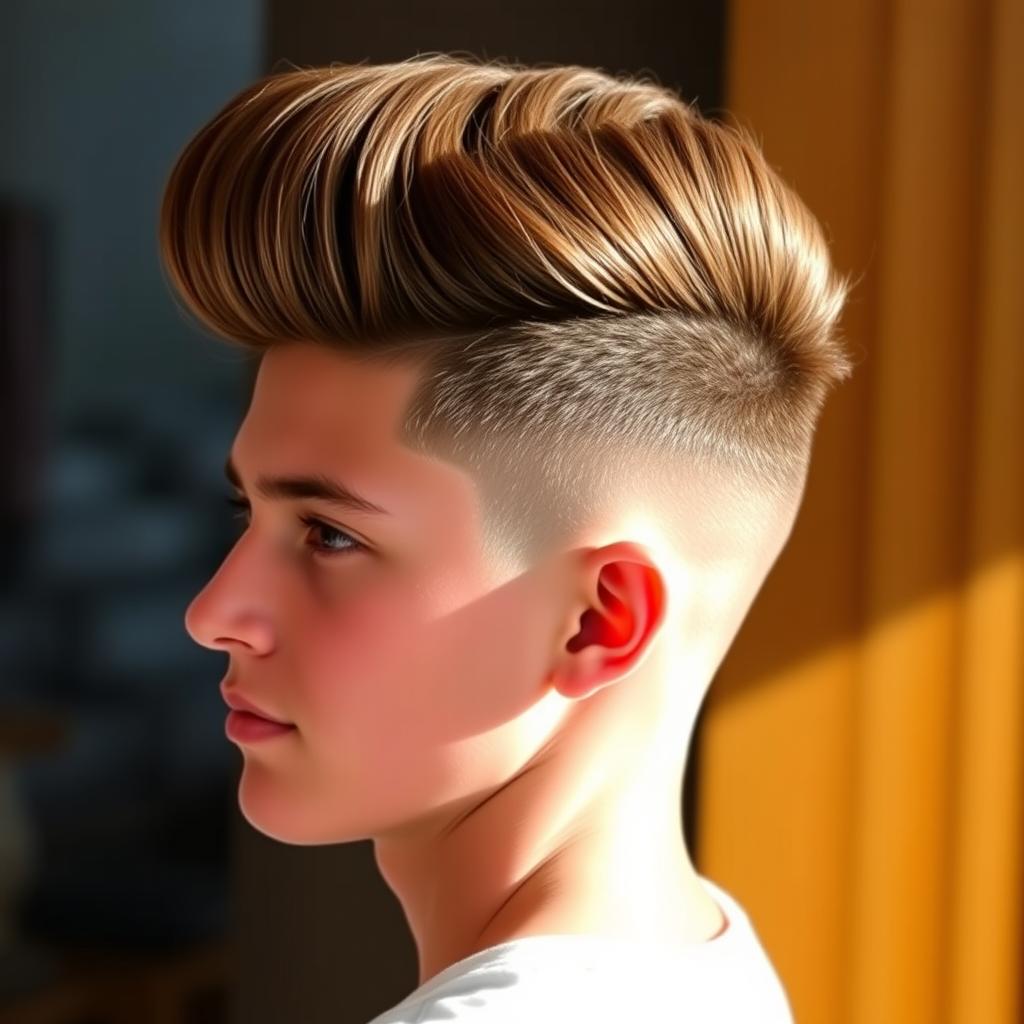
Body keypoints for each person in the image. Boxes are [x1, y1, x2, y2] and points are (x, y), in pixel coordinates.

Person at [162, 52, 855, 1022]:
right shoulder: (702, 962)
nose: (213, 615)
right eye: (251, 514)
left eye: (327, 534)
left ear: (595, 622)